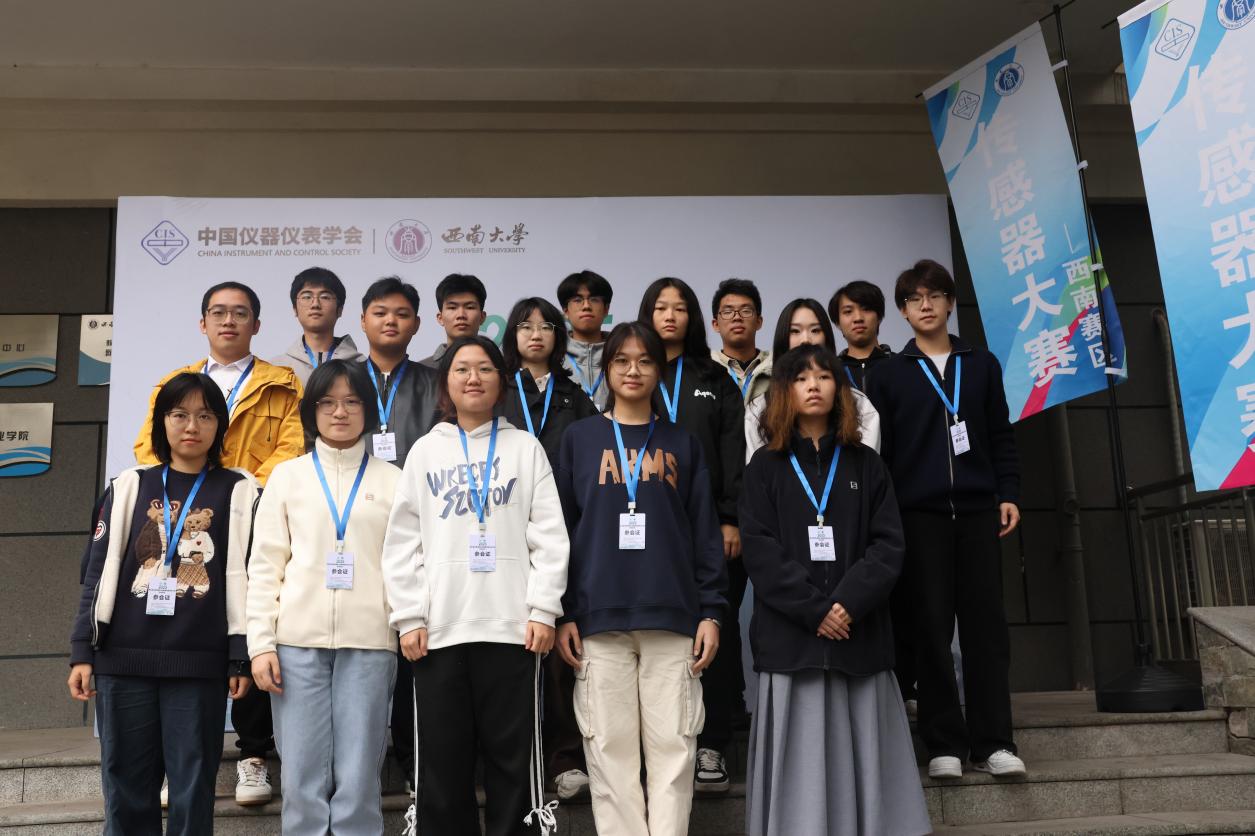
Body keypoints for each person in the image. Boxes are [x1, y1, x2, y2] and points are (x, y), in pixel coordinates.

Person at [739, 345, 930, 836]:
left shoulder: (867, 464)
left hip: (858, 636)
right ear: (784, 392)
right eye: (802, 378)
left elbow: (888, 545)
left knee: (867, 758)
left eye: (825, 377)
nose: (814, 386)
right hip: (792, 642)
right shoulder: (764, 466)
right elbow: (759, 550)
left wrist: (846, 604)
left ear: (840, 390)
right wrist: (815, 610)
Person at [382, 335, 570, 836]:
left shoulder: (525, 448)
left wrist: (543, 610)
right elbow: (402, 544)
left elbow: (550, 536)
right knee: (442, 769)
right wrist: (409, 617)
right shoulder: (425, 452)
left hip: (514, 631)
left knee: (514, 765)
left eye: (484, 368)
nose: (473, 378)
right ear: (445, 383)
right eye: (461, 369)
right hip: (439, 633)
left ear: (501, 382)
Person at [132, 280, 302, 805]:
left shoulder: (282, 385)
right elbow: (147, 448)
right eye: (219, 313)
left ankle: (253, 756)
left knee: (251, 627)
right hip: (183, 526)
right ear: (202, 323)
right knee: (180, 628)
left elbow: (291, 450)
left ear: (257, 324)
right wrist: (193, 487)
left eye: (241, 313)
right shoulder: (173, 384)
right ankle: (170, 764)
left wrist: (236, 489)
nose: (229, 321)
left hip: (252, 517)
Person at [555, 322, 727, 835]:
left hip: (672, 616)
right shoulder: (579, 439)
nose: (633, 370)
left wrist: (712, 611)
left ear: (659, 370)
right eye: (622, 360)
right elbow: (560, 531)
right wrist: (563, 612)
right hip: (597, 618)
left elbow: (704, 533)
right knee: (609, 754)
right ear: (606, 369)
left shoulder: (683, 442)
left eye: (645, 361)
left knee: (674, 750)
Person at [70, 372, 259, 835]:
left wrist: (240, 654)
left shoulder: (238, 490)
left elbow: (250, 579)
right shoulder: (129, 486)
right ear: (162, 423)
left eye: (205, 416)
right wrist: (82, 651)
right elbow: (96, 573)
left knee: (193, 788)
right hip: (123, 660)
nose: (192, 426)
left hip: (198, 664)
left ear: (220, 426)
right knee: (126, 787)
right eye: (179, 415)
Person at [865, 259, 1024, 780]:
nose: (926, 305)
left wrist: (1008, 493)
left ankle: (995, 742)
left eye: (934, 295)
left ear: (950, 303)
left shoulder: (981, 364)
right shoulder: (888, 374)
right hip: (918, 516)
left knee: (985, 630)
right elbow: (881, 455)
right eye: (914, 299)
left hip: (979, 511)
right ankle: (944, 744)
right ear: (903, 312)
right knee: (929, 629)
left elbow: (1000, 434)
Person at [246, 360, 401, 835]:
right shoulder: (286, 477)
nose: (340, 412)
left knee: (359, 777)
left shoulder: (393, 480)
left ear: (368, 410)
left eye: (352, 401)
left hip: (370, 643)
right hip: (295, 646)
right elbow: (265, 566)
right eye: (328, 402)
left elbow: (404, 565)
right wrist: (261, 644)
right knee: (301, 777)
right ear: (311, 411)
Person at [637, 277, 745, 793]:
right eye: (660, 307)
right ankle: (653, 747)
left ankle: (713, 745)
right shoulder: (635, 371)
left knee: (714, 633)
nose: (670, 316)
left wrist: (730, 517)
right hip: (646, 529)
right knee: (653, 638)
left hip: (708, 528)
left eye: (680, 308)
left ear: (694, 318)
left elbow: (733, 450)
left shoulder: (714, 376)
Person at [500, 297, 599, 800]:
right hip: (500, 535)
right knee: (508, 650)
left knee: (560, 647)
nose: (535, 334)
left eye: (545, 327)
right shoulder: (497, 391)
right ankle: (509, 759)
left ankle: (563, 758)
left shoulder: (574, 396)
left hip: (562, 532)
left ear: (559, 337)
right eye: (525, 326)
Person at [355, 276, 443, 789]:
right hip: (356, 524)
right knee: (364, 640)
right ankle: (359, 766)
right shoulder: (343, 380)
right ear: (363, 320)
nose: (391, 321)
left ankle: (414, 762)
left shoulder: (436, 381)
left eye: (402, 313)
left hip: (421, 529)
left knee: (416, 643)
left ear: (417, 323)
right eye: (381, 312)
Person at [745, 298, 881, 461]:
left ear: (827, 338)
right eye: (795, 331)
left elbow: (867, 467)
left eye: (815, 330)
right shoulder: (759, 409)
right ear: (783, 338)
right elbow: (758, 470)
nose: (805, 340)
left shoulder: (859, 405)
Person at [270, 267, 364, 385]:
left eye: (325, 297)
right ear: (295, 309)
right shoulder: (276, 368)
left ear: (340, 309)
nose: (315, 304)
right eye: (307, 297)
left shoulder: (362, 366)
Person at [558, 269, 614, 411]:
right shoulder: (554, 356)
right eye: (578, 300)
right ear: (565, 311)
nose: (586, 306)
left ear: (606, 309)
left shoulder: (620, 353)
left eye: (594, 299)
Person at [709, 278, 771, 404]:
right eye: (728, 312)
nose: (737, 317)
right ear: (716, 324)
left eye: (746, 311)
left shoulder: (779, 368)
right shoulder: (702, 370)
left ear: (759, 322)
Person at [828, 280, 893, 391]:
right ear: (837, 323)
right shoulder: (831, 373)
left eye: (866, 309)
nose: (858, 318)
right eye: (848, 311)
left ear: (879, 317)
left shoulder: (901, 365)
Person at [420, 273, 488, 369]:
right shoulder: (423, 370)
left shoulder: (499, 367)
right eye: (452, 307)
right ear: (440, 318)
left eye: (470, 307)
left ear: (482, 317)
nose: (461, 315)